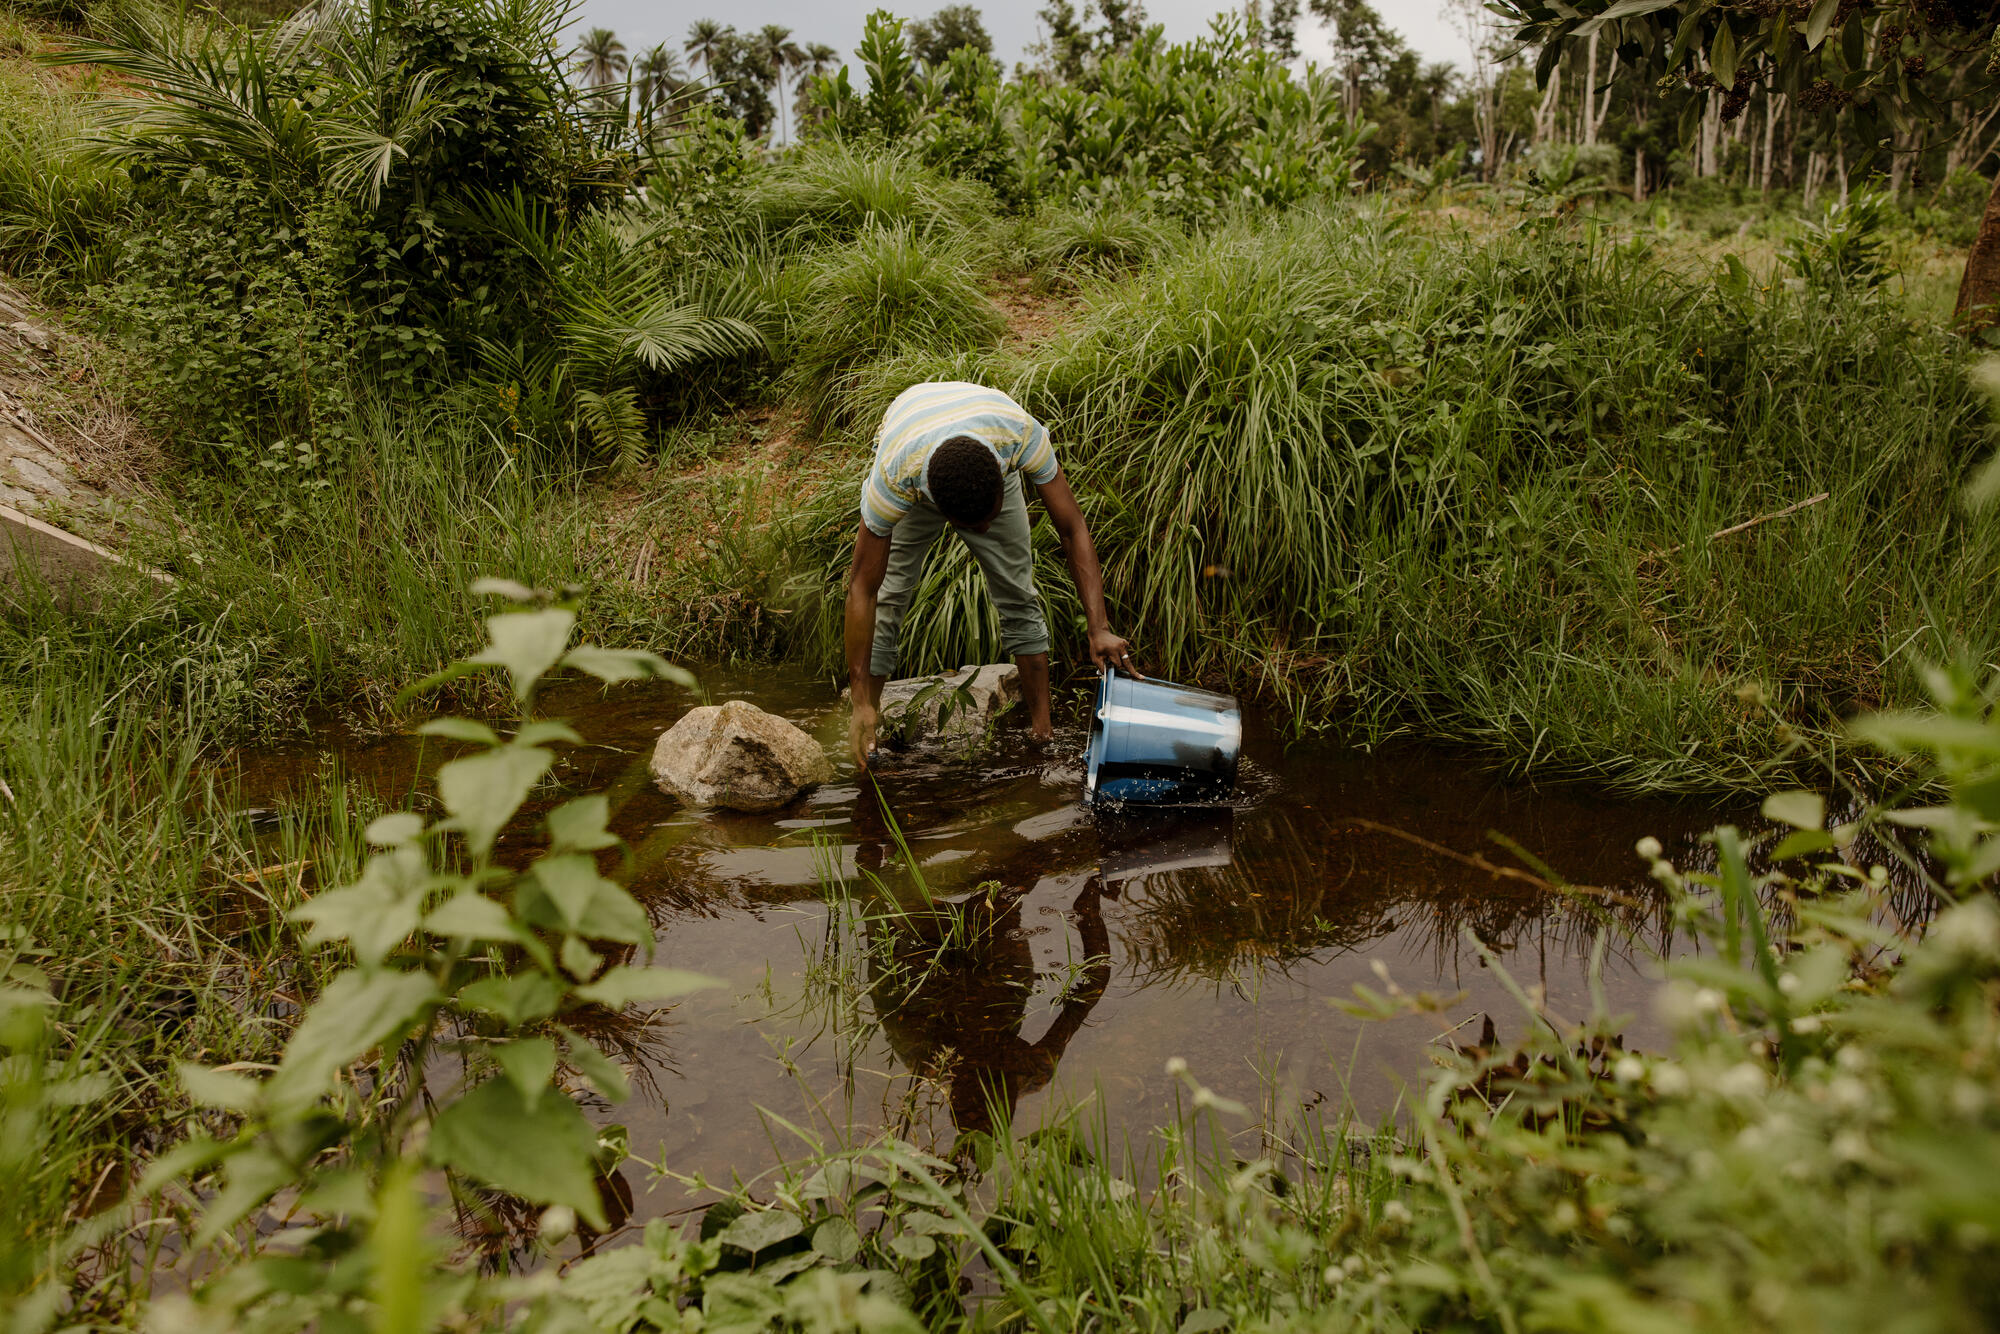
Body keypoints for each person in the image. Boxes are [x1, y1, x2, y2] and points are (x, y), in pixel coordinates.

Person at [843, 380, 1138, 769]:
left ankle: (1042, 740)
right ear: (943, 510)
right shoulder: (895, 477)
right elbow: (863, 590)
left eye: (989, 519)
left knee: (1018, 592)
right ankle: (869, 733)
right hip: (913, 445)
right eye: (971, 525)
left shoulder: (1019, 436)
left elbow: (1072, 527)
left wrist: (1098, 626)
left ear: (1004, 477)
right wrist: (859, 698)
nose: (982, 532)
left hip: (985, 440)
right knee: (890, 597)